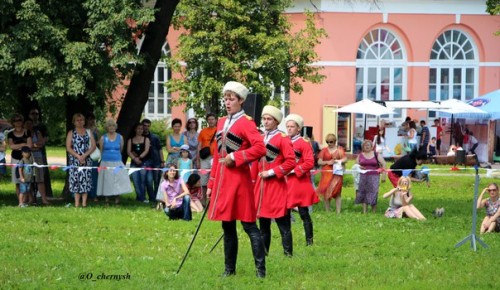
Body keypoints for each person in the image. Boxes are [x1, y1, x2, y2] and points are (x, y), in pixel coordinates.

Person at [206, 81, 267, 278]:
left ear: (241, 101)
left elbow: (260, 148)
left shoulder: (247, 123)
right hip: (223, 183)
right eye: (225, 98)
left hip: (239, 182)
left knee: (249, 225)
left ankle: (260, 271)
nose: (227, 102)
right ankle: (229, 270)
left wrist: (236, 157)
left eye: (231, 98)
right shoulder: (222, 122)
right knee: (227, 225)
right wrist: (211, 183)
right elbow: (217, 156)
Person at [253, 105, 295, 256]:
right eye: (264, 119)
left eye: (269, 119)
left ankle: (288, 254)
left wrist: (271, 172)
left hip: (276, 185)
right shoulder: (260, 138)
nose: (266, 122)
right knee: (263, 223)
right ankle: (264, 254)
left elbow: (291, 162)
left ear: (276, 121)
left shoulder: (282, 139)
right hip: (261, 186)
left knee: (282, 222)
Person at [285, 113, 320, 246]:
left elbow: (309, 162)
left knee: (304, 213)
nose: (289, 129)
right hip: (287, 182)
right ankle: (287, 242)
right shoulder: (284, 141)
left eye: (292, 126)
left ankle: (309, 241)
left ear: (298, 128)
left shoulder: (304, 143)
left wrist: (293, 170)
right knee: (285, 214)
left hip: (299, 182)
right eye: (287, 126)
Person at [96, 119, 132, 205]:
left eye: (113, 126)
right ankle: (107, 199)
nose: (111, 128)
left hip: (117, 161)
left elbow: (121, 149)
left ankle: (117, 199)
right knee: (107, 180)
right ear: (107, 128)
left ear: (115, 127)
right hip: (106, 162)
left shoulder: (120, 137)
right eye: (109, 126)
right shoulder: (103, 137)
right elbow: (101, 150)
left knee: (118, 179)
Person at [66, 113, 96, 208]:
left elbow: (93, 146)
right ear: (74, 122)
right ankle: (76, 203)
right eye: (77, 120)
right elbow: (68, 147)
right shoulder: (71, 133)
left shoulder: (88, 132)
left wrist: (84, 155)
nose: (80, 122)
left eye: (81, 120)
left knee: (86, 180)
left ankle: (84, 203)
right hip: (75, 160)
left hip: (87, 160)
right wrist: (78, 156)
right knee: (76, 180)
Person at [316, 133, 346, 214]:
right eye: (327, 142)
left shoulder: (340, 149)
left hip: (337, 174)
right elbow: (319, 161)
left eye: (331, 142)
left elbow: (345, 159)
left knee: (338, 193)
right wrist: (327, 162)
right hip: (326, 174)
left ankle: (338, 212)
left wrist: (339, 161)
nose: (329, 143)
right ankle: (327, 211)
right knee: (326, 193)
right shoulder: (324, 150)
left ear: (335, 141)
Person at [356, 140, 386, 214]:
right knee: (363, 192)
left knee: (374, 192)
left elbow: (384, 164)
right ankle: (364, 212)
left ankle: (373, 212)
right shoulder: (360, 155)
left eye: (368, 145)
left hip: (374, 176)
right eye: (365, 145)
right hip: (363, 176)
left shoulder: (376, 154)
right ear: (363, 147)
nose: (366, 146)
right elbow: (355, 165)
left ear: (371, 146)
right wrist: (359, 167)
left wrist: (383, 176)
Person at [24, 118, 49, 205]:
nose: (29, 125)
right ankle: (30, 198)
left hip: (38, 157)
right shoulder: (23, 133)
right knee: (28, 178)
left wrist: (32, 146)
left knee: (40, 178)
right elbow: (26, 146)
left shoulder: (37, 132)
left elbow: (41, 143)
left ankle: (44, 199)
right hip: (27, 158)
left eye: (30, 123)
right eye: (27, 123)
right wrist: (33, 146)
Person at [8, 113, 33, 200]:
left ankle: (28, 200)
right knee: (17, 181)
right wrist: (23, 144)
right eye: (15, 120)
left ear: (22, 121)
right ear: (13, 122)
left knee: (27, 179)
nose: (17, 122)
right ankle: (20, 201)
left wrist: (17, 146)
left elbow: (29, 146)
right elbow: (11, 146)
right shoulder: (10, 134)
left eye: (19, 120)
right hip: (15, 159)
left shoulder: (27, 132)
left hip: (26, 159)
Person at [127, 123, 151, 203]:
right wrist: (134, 158)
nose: (140, 130)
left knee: (142, 181)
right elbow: (128, 151)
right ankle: (140, 197)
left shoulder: (146, 139)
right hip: (134, 163)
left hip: (143, 162)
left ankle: (143, 198)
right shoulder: (130, 140)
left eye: (141, 128)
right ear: (135, 129)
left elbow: (146, 150)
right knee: (135, 181)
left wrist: (140, 157)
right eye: (138, 128)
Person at [197, 113, 217, 206]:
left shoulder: (219, 131)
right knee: (204, 180)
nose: (211, 121)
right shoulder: (203, 131)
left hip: (215, 157)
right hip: (205, 158)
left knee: (214, 180)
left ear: (216, 120)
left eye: (212, 119)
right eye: (209, 119)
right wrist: (197, 159)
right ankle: (204, 201)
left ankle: (212, 202)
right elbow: (199, 146)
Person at [142, 119, 165, 201]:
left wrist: (162, 161)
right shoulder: (140, 137)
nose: (146, 128)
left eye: (148, 126)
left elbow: (160, 149)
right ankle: (151, 197)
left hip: (156, 161)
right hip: (146, 161)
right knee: (149, 181)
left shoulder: (155, 137)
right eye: (144, 126)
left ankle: (157, 198)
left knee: (157, 181)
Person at [85, 112, 100, 202]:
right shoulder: (84, 130)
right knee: (86, 174)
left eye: (93, 120)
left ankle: (94, 195)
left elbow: (99, 142)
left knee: (94, 175)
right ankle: (85, 194)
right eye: (90, 119)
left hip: (93, 154)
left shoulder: (96, 131)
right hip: (85, 154)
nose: (91, 121)